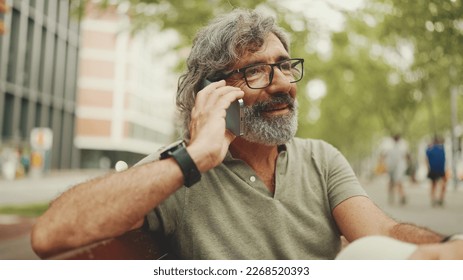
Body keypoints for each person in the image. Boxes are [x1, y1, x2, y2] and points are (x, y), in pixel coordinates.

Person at [31, 9, 463, 260]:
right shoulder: (178, 170)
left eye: (285, 65)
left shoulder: (320, 158)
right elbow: (49, 236)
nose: (281, 82)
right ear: (211, 92)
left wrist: (447, 246)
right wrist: (194, 158)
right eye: (255, 70)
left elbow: (378, 235)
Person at [384, 134, 408, 205]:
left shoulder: (391, 147)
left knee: (392, 183)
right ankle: (400, 196)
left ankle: (394, 196)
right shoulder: (401, 147)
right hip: (396, 168)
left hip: (393, 168)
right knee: (398, 183)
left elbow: (386, 157)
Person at [426, 136, 447, 207]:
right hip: (436, 169)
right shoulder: (433, 149)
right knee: (435, 184)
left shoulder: (440, 149)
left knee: (438, 184)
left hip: (438, 169)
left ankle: (438, 198)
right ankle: (435, 199)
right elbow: (426, 159)